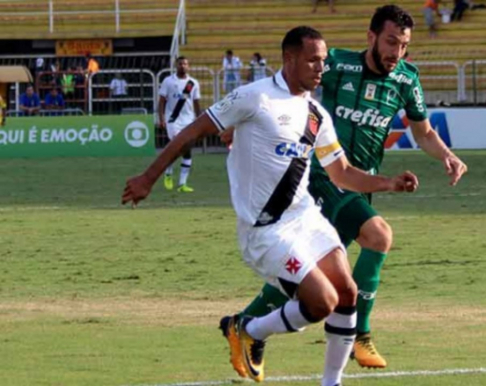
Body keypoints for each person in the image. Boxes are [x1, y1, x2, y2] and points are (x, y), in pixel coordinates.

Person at [122, 26, 419, 386]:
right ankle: (248, 328)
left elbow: (341, 173)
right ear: (289, 59)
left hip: (306, 218)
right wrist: (148, 178)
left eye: (324, 61)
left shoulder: (316, 115)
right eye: (313, 60)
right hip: (265, 231)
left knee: (347, 293)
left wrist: (387, 182)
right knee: (321, 302)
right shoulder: (254, 97)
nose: (320, 68)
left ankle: (331, 382)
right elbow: (190, 132)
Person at [224, 4, 468, 371]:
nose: (396, 53)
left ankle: (243, 325)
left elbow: (424, 132)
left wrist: (447, 156)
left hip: (360, 182)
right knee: (379, 235)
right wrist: (246, 122)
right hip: (327, 176)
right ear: (371, 37)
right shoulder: (337, 64)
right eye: (390, 42)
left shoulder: (405, 80)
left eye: (403, 45)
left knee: (309, 273)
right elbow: (290, 86)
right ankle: (360, 336)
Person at [158, 56, 202, 192]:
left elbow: (196, 103)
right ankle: (168, 173)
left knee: (187, 151)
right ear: (176, 66)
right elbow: (162, 101)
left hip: (188, 121)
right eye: (180, 63)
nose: (183, 66)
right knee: (177, 146)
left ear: (188, 66)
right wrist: (162, 118)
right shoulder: (168, 81)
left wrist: (199, 120)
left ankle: (182, 184)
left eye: (185, 63)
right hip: (173, 120)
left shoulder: (193, 83)